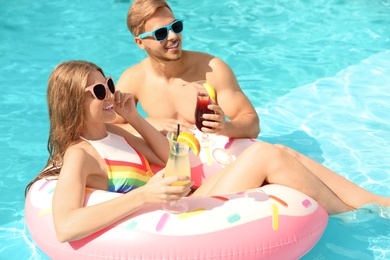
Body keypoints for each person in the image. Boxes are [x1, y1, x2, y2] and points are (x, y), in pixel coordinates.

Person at [25, 60, 390, 243]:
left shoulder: (115, 134)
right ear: (73, 103)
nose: (109, 93)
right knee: (268, 156)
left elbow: (169, 161)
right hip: (174, 213)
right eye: (99, 92)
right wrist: (145, 196)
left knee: (277, 149)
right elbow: (65, 227)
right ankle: (356, 217)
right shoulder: (80, 154)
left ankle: (378, 202)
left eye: (108, 84)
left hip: (186, 196)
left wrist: (133, 116)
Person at [112, 0, 259, 138]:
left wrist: (226, 127)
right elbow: (106, 126)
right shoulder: (134, 79)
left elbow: (252, 124)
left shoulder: (212, 69)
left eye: (175, 26)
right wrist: (147, 124)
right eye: (161, 33)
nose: (173, 36)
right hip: (171, 157)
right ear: (140, 42)